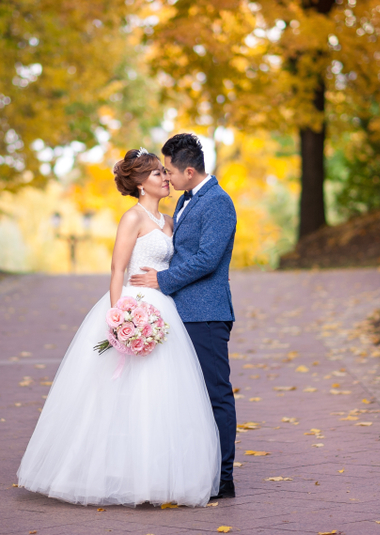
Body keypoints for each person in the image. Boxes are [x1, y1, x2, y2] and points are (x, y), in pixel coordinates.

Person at [17, 148, 220, 507]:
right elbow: (117, 270)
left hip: (164, 314)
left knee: (161, 395)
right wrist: (120, 317)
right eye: (158, 174)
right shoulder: (132, 218)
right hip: (132, 305)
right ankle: (108, 472)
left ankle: (156, 475)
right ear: (142, 185)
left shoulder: (170, 222)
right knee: (118, 394)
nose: (165, 178)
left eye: (164, 172)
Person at [129, 133, 238, 500]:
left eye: (170, 171)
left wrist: (161, 280)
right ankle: (196, 471)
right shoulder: (185, 203)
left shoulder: (219, 203)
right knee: (188, 398)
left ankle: (223, 478)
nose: (167, 178)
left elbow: (207, 260)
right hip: (179, 313)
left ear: (189, 171)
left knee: (215, 395)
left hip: (206, 314)